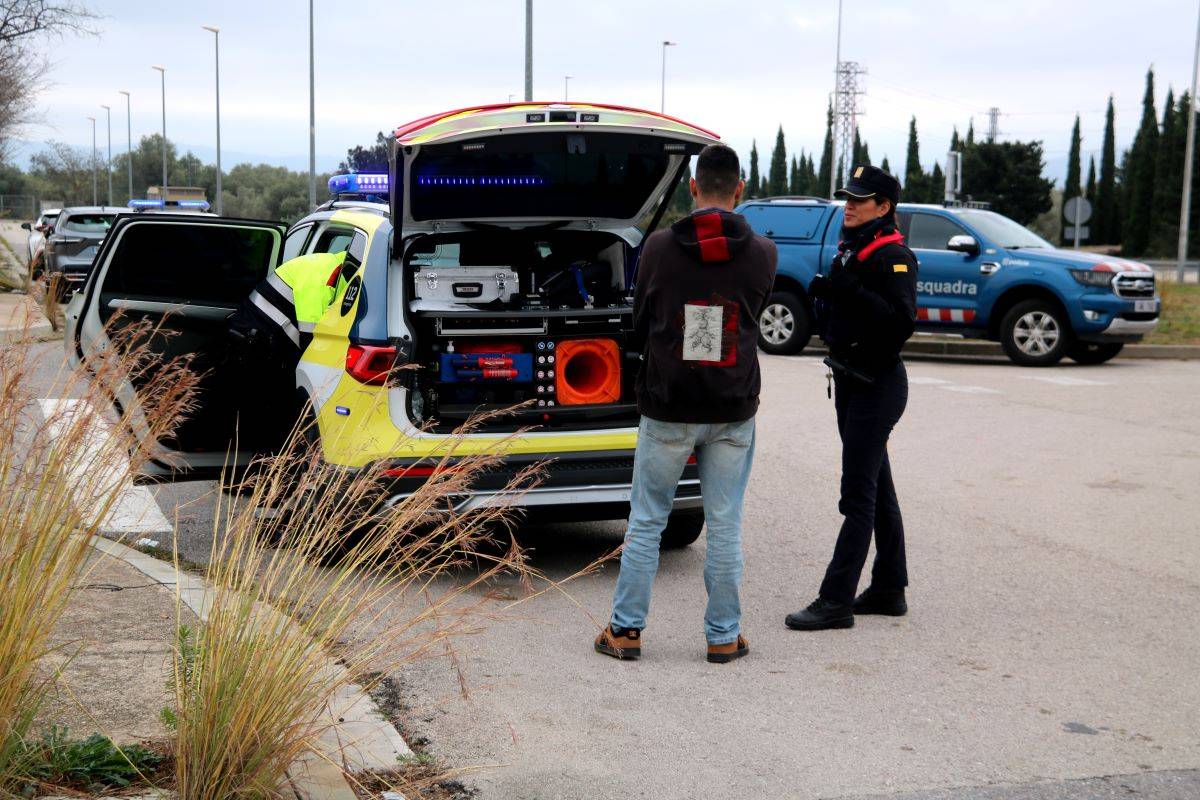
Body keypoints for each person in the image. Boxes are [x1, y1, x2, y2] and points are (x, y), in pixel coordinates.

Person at [594, 143, 777, 664]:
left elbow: (640, 317)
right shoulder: (764, 252)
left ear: (693, 187)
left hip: (668, 404)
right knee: (724, 523)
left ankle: (625, 632)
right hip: (732, 407)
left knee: (648, 519)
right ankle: (723, 635)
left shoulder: (655, 249)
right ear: (739, 190)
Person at [785, 164, 918, 631]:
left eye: (860, 200)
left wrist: (852, 292)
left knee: (857, 498)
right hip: (852, 379)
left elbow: (900, 323)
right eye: (848, 198)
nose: (850, 206)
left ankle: (835, 599)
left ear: (884, 208)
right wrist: (832, 296)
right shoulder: (857, 247)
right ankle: (888, 588)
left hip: (875, 386)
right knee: (878, 490)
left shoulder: (893, 256)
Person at [226, 249, 348, 446]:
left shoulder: (338, 271)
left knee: (274, 412)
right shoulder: (322, 279)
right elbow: (313, 344)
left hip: (270, 339)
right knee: (272, 412)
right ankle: (267, 469)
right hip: (254, 339)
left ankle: (272, 464)